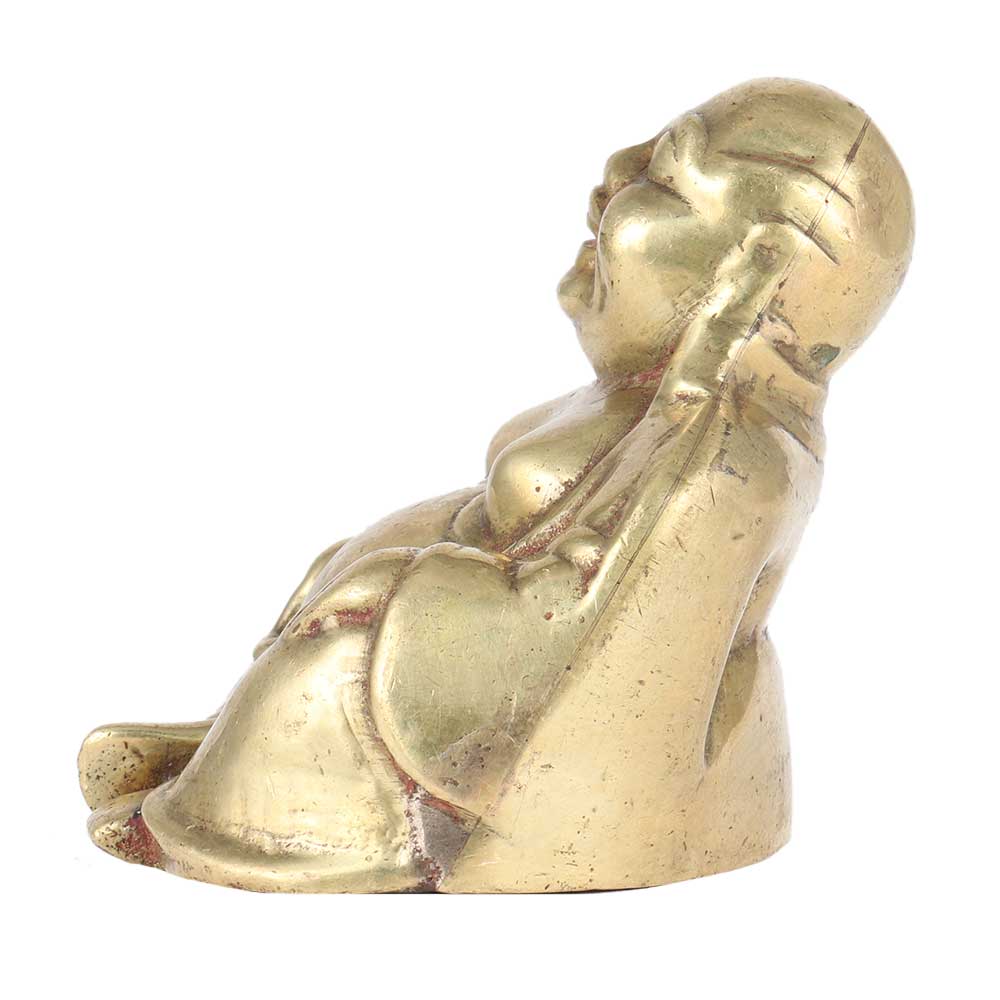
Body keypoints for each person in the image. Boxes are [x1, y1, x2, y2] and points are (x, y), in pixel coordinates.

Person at [80, 78, 913, 892]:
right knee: (351, 584)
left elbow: (602, 667)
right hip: (459, 638)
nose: (612, 173)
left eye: (663, 180)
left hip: (506, 739)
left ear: (755, 273)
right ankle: (224, 747)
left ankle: (249, 793)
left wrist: (391, 594)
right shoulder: (649, 408)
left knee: (336, 662)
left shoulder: (729, 467)